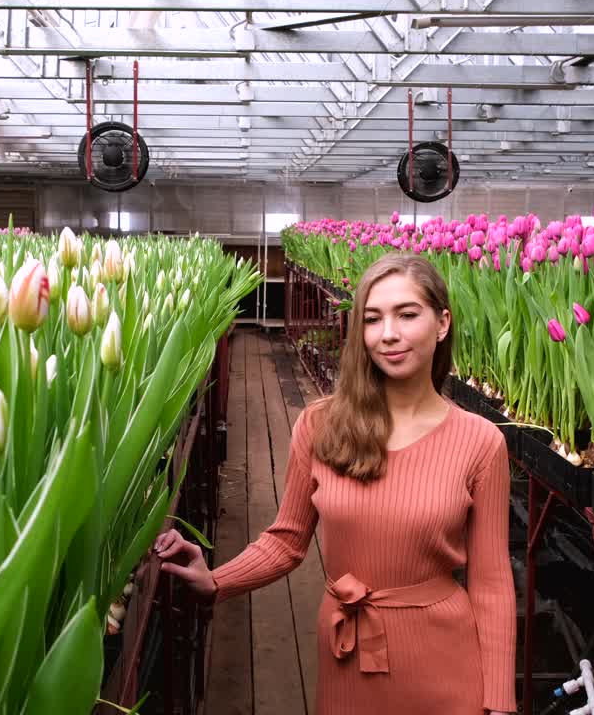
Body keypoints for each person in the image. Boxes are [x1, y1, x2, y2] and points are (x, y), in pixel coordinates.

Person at [155, 253, 517, 715]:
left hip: (443, 657)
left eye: (407, 315)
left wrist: (501, 702)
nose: (388, 334)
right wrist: (214, 579)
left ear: (442, 323)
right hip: (347, 648)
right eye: (372, 319)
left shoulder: (480, 442)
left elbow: (491, 583)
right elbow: (287, 540)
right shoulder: (322, 425)